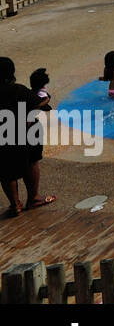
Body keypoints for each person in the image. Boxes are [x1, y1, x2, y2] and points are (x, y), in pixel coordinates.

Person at [1, 58, 54, 217]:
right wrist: (46, 97)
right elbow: (41, 102)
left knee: (5, 171)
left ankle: (15, 205)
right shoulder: (18, 90)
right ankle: (33, 198)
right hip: (27, 132)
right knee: (31, 162)